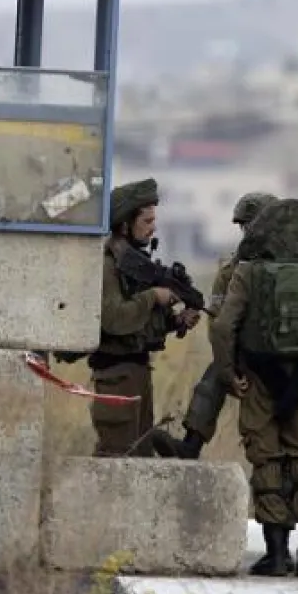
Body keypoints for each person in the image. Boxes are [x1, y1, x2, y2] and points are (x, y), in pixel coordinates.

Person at [209, 198, 298, 578]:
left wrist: (227, 373)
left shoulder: (247, 273)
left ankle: (278, 553)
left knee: (267, 461)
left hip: (258, 380)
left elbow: (223, 328)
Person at [150, 191, 279, 459]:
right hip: (247, 354)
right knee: (212, 381)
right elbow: (218, 322)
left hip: (285, 357)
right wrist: (229, 368)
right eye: (245, 227)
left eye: (253, 225)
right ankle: (190, 445)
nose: (248, 233)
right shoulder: (232, 269)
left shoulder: (291, 268)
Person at [90, 178, 201, 456]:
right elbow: (114, 319)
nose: (153, 227)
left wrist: (175, 321)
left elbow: (138, 326)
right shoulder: (108, 265)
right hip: (116, 375)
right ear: (126, 223)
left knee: (140, 457)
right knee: (118, 458)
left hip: (136, 371)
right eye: (147, 221)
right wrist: (154, 297)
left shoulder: (133, 263)